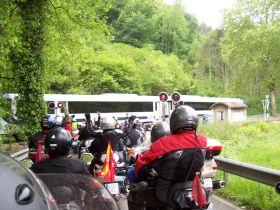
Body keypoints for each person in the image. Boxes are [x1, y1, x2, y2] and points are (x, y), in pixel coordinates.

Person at [127, 105, 207, 210]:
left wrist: (139, 176)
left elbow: (141, 167)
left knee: (134, 195)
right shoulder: (202, 140)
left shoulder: (164, 143)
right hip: (194, 192)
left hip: (165, 195)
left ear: (174, 122)